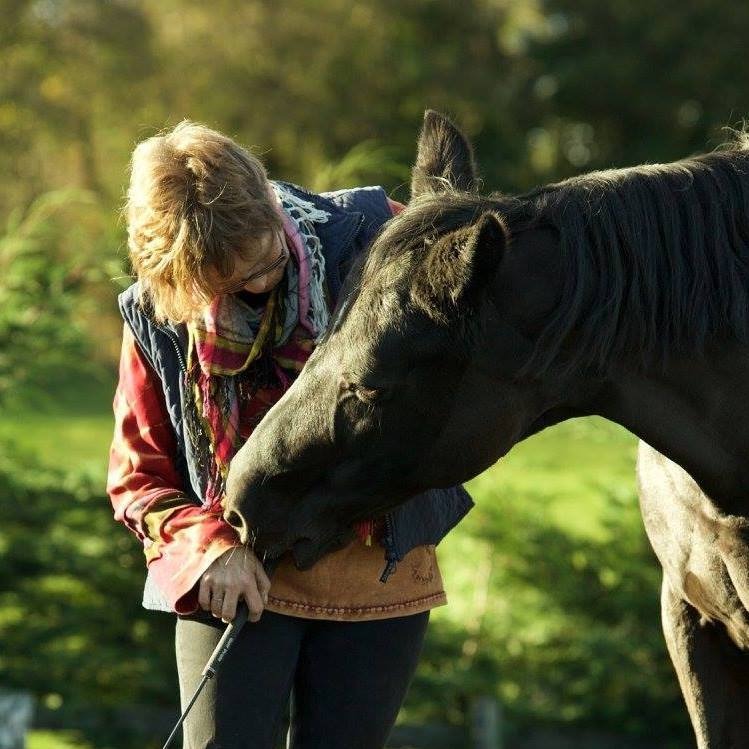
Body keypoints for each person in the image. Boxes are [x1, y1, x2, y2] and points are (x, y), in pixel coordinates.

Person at [107, 121, 473, 749]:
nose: (258, 285)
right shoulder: (157, 313)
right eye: (230, 284)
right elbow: (138, 478)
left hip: (376, 572)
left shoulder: (378, 235)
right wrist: (211, 549)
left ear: (269, 205)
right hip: (234, 579)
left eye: (268, 262)